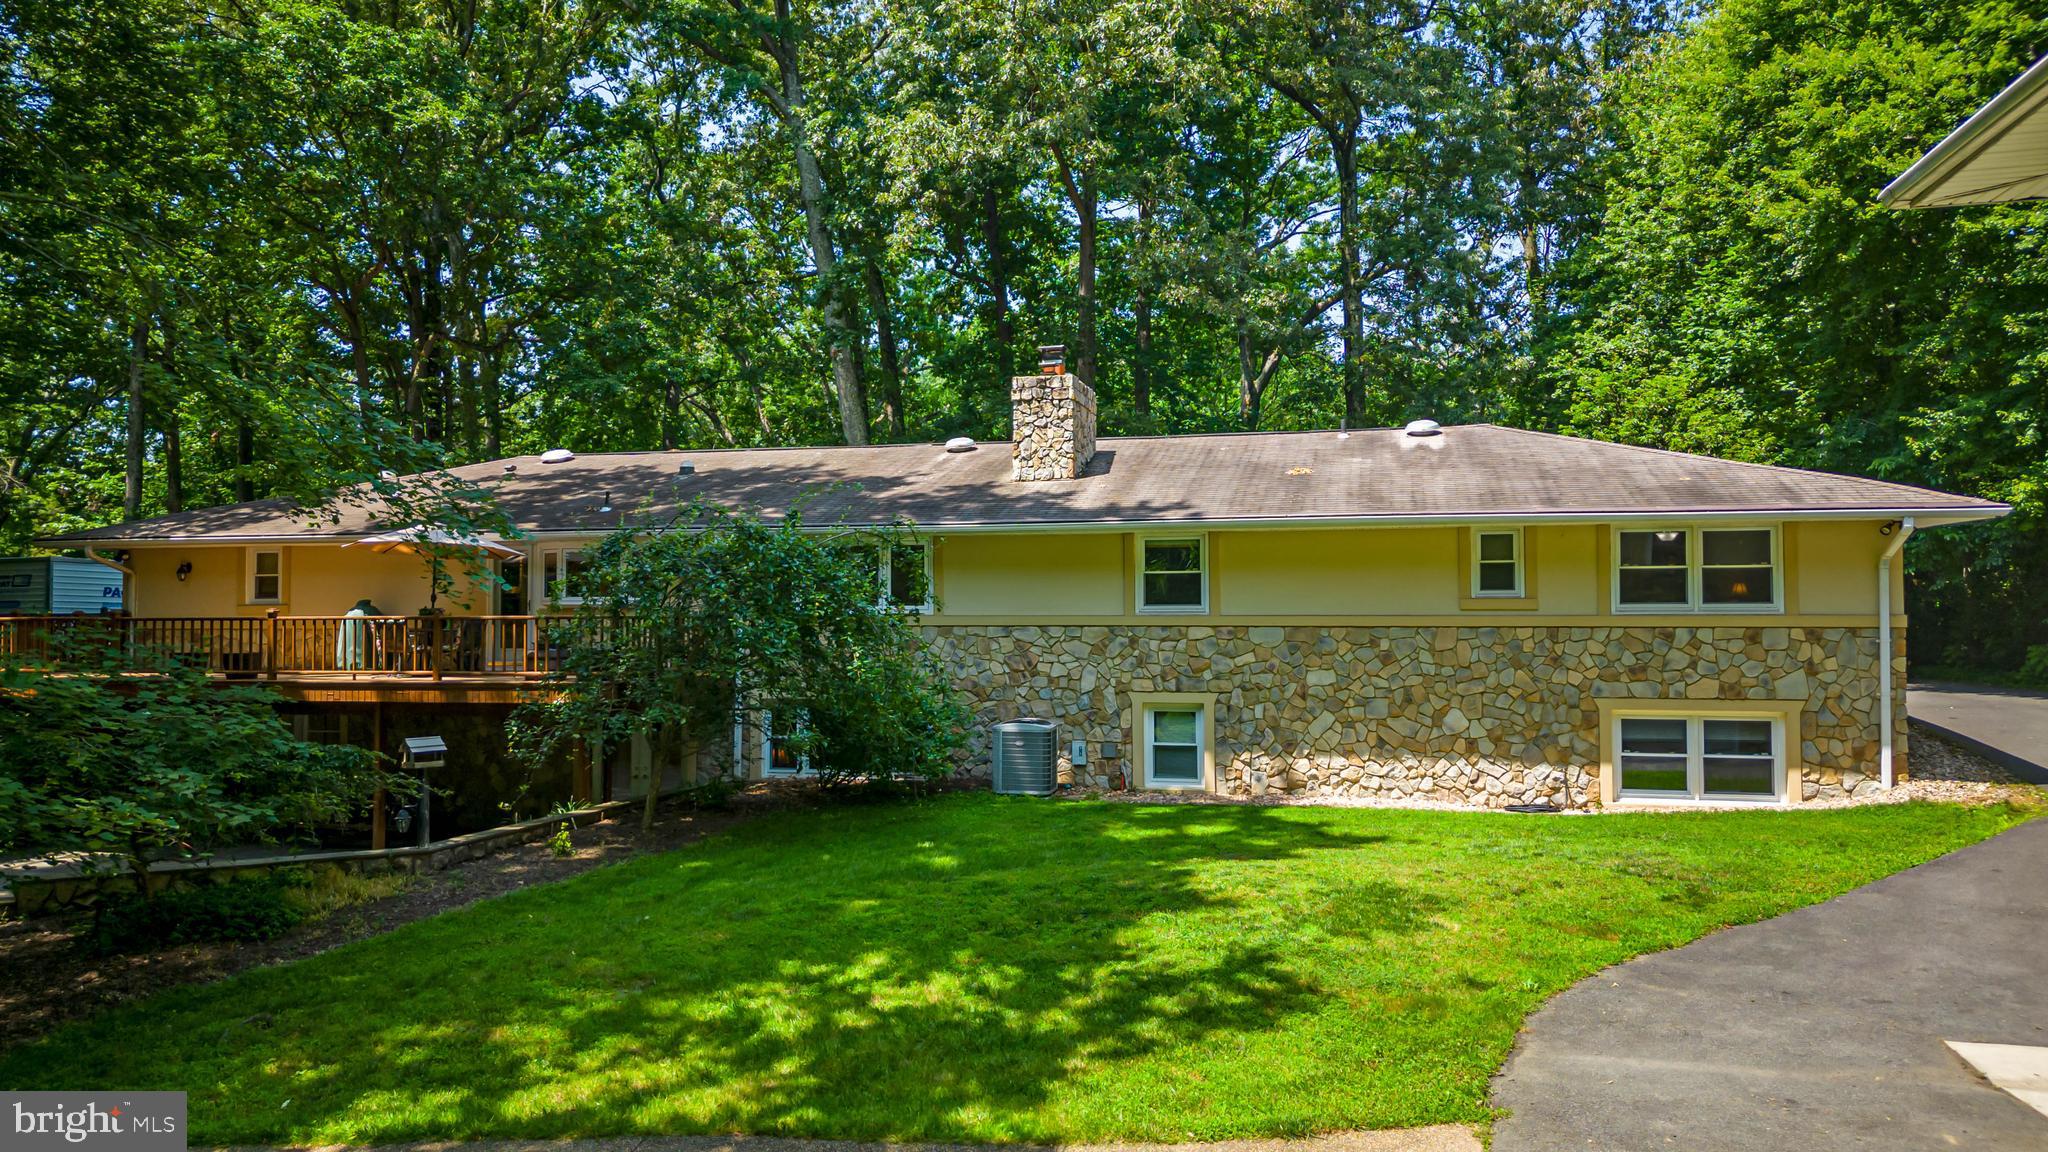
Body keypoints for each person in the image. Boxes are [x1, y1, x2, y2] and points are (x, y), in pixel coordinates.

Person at [337, 598, 383, 671]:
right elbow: (381, 622)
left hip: (350, 643)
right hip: (363, 640)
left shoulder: (350, 612)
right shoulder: (371, 610)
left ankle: (348, 665)